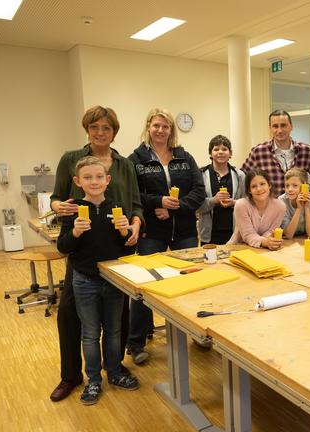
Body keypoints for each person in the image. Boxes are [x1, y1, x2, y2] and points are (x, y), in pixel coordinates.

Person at [49, 105, 143, 402]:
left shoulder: (124, 165)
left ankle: (114, 368)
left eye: (107, 128)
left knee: (115, 322)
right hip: (83, 264)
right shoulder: (71, 160)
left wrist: (134, 227)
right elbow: (56, 199)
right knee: (73, 318)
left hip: (115, 260)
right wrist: (61, 211)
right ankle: (74, 376)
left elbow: (136, 205)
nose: (101, 133)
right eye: (95, 127)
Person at [128, 108, 206, 364]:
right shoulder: (135, 160)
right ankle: (136, 342)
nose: (161, 131)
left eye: (166, 127)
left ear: (171, 130)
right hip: (152, 232)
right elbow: (133, 195)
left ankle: (196, 332)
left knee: (190, 284)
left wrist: (177, 206)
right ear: (148, 127)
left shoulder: (185, 157)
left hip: (183, 230)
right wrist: (156, 202)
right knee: (145, 286)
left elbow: (198, 190)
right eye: (156, 126)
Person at [242, 110, 310, 201]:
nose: (279, 130)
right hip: (269, 211)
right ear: (270, 128)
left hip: (298, 210)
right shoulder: (259, 151)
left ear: (291, 126)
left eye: (283, 125)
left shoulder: (305, 151)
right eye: (275, 126)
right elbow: (242, 177)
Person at [198, 135, 245, 245]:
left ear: (230, 153)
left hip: (235, 233)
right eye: (216, 149)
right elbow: (197, 206)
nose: (220, 152)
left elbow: (247, 203)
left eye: (224, 149)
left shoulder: (240, 175)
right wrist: (214, 200)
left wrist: (234, 203)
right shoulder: (201, 175)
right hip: (209, 235)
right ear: (210, 153)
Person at [228, 169, 286, 250]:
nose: (259, 189)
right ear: (249, 190)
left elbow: (271, 231)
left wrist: (270, 241)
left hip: (264, 249)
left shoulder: (280, 206)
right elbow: (248, 235)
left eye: (262, 184)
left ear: (269, 185)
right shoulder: (241, 205)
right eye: (254, 186)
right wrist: (264, 242)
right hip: (238, 248)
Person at [279, 168, 310, 239]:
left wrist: (306, 207)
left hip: (303, 239)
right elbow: (289, 235)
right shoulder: (282, 201)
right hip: (288, 242)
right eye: (287, 186)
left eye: (295, 185)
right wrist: (299, 208)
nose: (290, 189)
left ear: (305, 186)